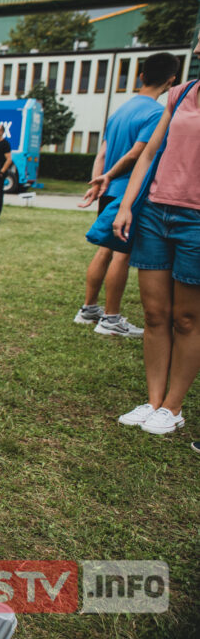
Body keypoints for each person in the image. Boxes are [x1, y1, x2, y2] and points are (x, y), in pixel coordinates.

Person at [113, 33, 200, 436]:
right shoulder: (180, 94)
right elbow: (149, 153)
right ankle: (152, 401)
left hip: (195, 221)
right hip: (154, 213)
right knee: (154, 314)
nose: (197, 49)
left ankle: (173, 406)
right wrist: (127, 204)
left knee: (187, 318)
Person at [75, 53, 179, 338]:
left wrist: (99, 181)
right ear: (171, 81)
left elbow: (103, 152)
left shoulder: (119, 111)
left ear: (141, 76)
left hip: (109, 190)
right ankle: (110, 319)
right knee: (122, 253)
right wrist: (110, 177)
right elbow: (138, 154)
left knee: (105, 250)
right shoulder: (157, 114)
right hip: (128, 193)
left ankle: (88, 310)